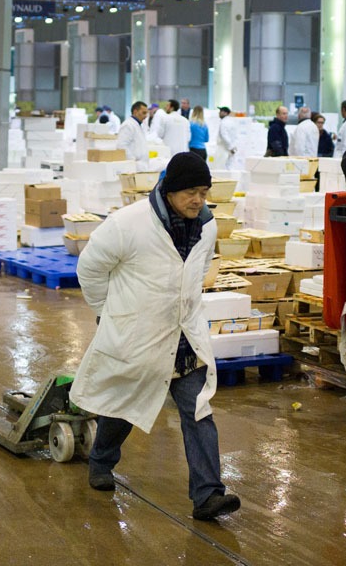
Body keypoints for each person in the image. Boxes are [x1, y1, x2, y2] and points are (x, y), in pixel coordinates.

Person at [74, 152, 241, 522]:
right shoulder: (128, 224)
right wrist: (107, 314)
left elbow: (195, 276)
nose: (198, 200)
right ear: (168, 191)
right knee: (123, 405)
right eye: (189, 192)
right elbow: (89, 269)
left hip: (185, 338)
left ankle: (208, 495)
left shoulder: (208, 226)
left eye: (203, 191)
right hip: (140, 335)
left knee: (198, 411)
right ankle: (100, 461)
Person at [116, 101, 149, 169]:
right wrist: (132, 160)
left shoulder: (138, 125)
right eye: (143, 113)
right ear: (135, 111)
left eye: (146, 113)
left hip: (141, 165)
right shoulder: (128, 125)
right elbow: (121, 145)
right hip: (134, 166)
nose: (146, 116)